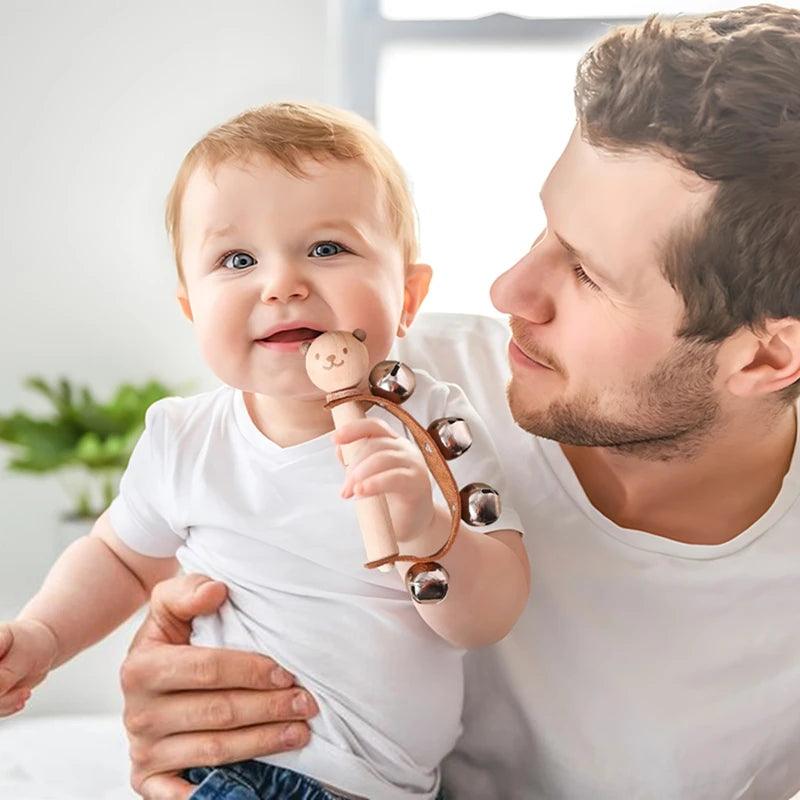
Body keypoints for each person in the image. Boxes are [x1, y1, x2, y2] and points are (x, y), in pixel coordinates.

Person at [116, 6, 800, 799]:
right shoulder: (381, 379)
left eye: (587, 274)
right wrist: (182, 710)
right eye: (545, 228)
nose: (509, 290)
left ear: (768, 354)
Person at [0, 103, 529, 800]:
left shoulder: (433, 425)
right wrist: (42, 636)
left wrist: (430, 531)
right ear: (192, 309)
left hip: (378, 785)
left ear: (408, 297)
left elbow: (486, 618)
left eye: (327, 248)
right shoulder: (184, 439)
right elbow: (121, 559)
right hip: (228, 767)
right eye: (238, 259)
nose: (282, 283)